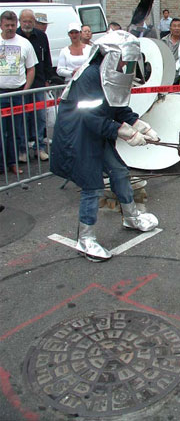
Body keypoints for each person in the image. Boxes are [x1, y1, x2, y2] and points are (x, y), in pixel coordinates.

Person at [50, 31, 159, 262]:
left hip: (96, 133)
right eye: (125, 61)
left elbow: (117, 108)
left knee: (119, 171)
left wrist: (142, 126)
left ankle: (131, 217)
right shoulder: (90, 76)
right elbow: (91, 119)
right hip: (78, 136)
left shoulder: (110, 74)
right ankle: (86, 239)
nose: (127, 66)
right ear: (111, 56)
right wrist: (127, 133)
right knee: (92, 186)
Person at [0, 11, 38, 175]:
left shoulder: (24, 43)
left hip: (17, 93)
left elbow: (31, 69)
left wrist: (26, 89)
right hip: (0, 93)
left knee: (16, 131)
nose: (10, 28)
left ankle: (13, 162)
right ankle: (1, 165)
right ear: (1, 25)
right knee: (1, 132)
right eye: (7, 25)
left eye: (12, 25)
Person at [16, 9, 53, 162]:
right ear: (20, 21)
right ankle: (22, 149)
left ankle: (39, 148)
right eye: (24, 21)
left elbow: (47, 59)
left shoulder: (41, 36)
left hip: (38, 83)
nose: (27, 24)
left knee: (39, 118)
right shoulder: (15, 37)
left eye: (30, 21)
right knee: (22, 119)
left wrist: (48, 78)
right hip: (19, 85)